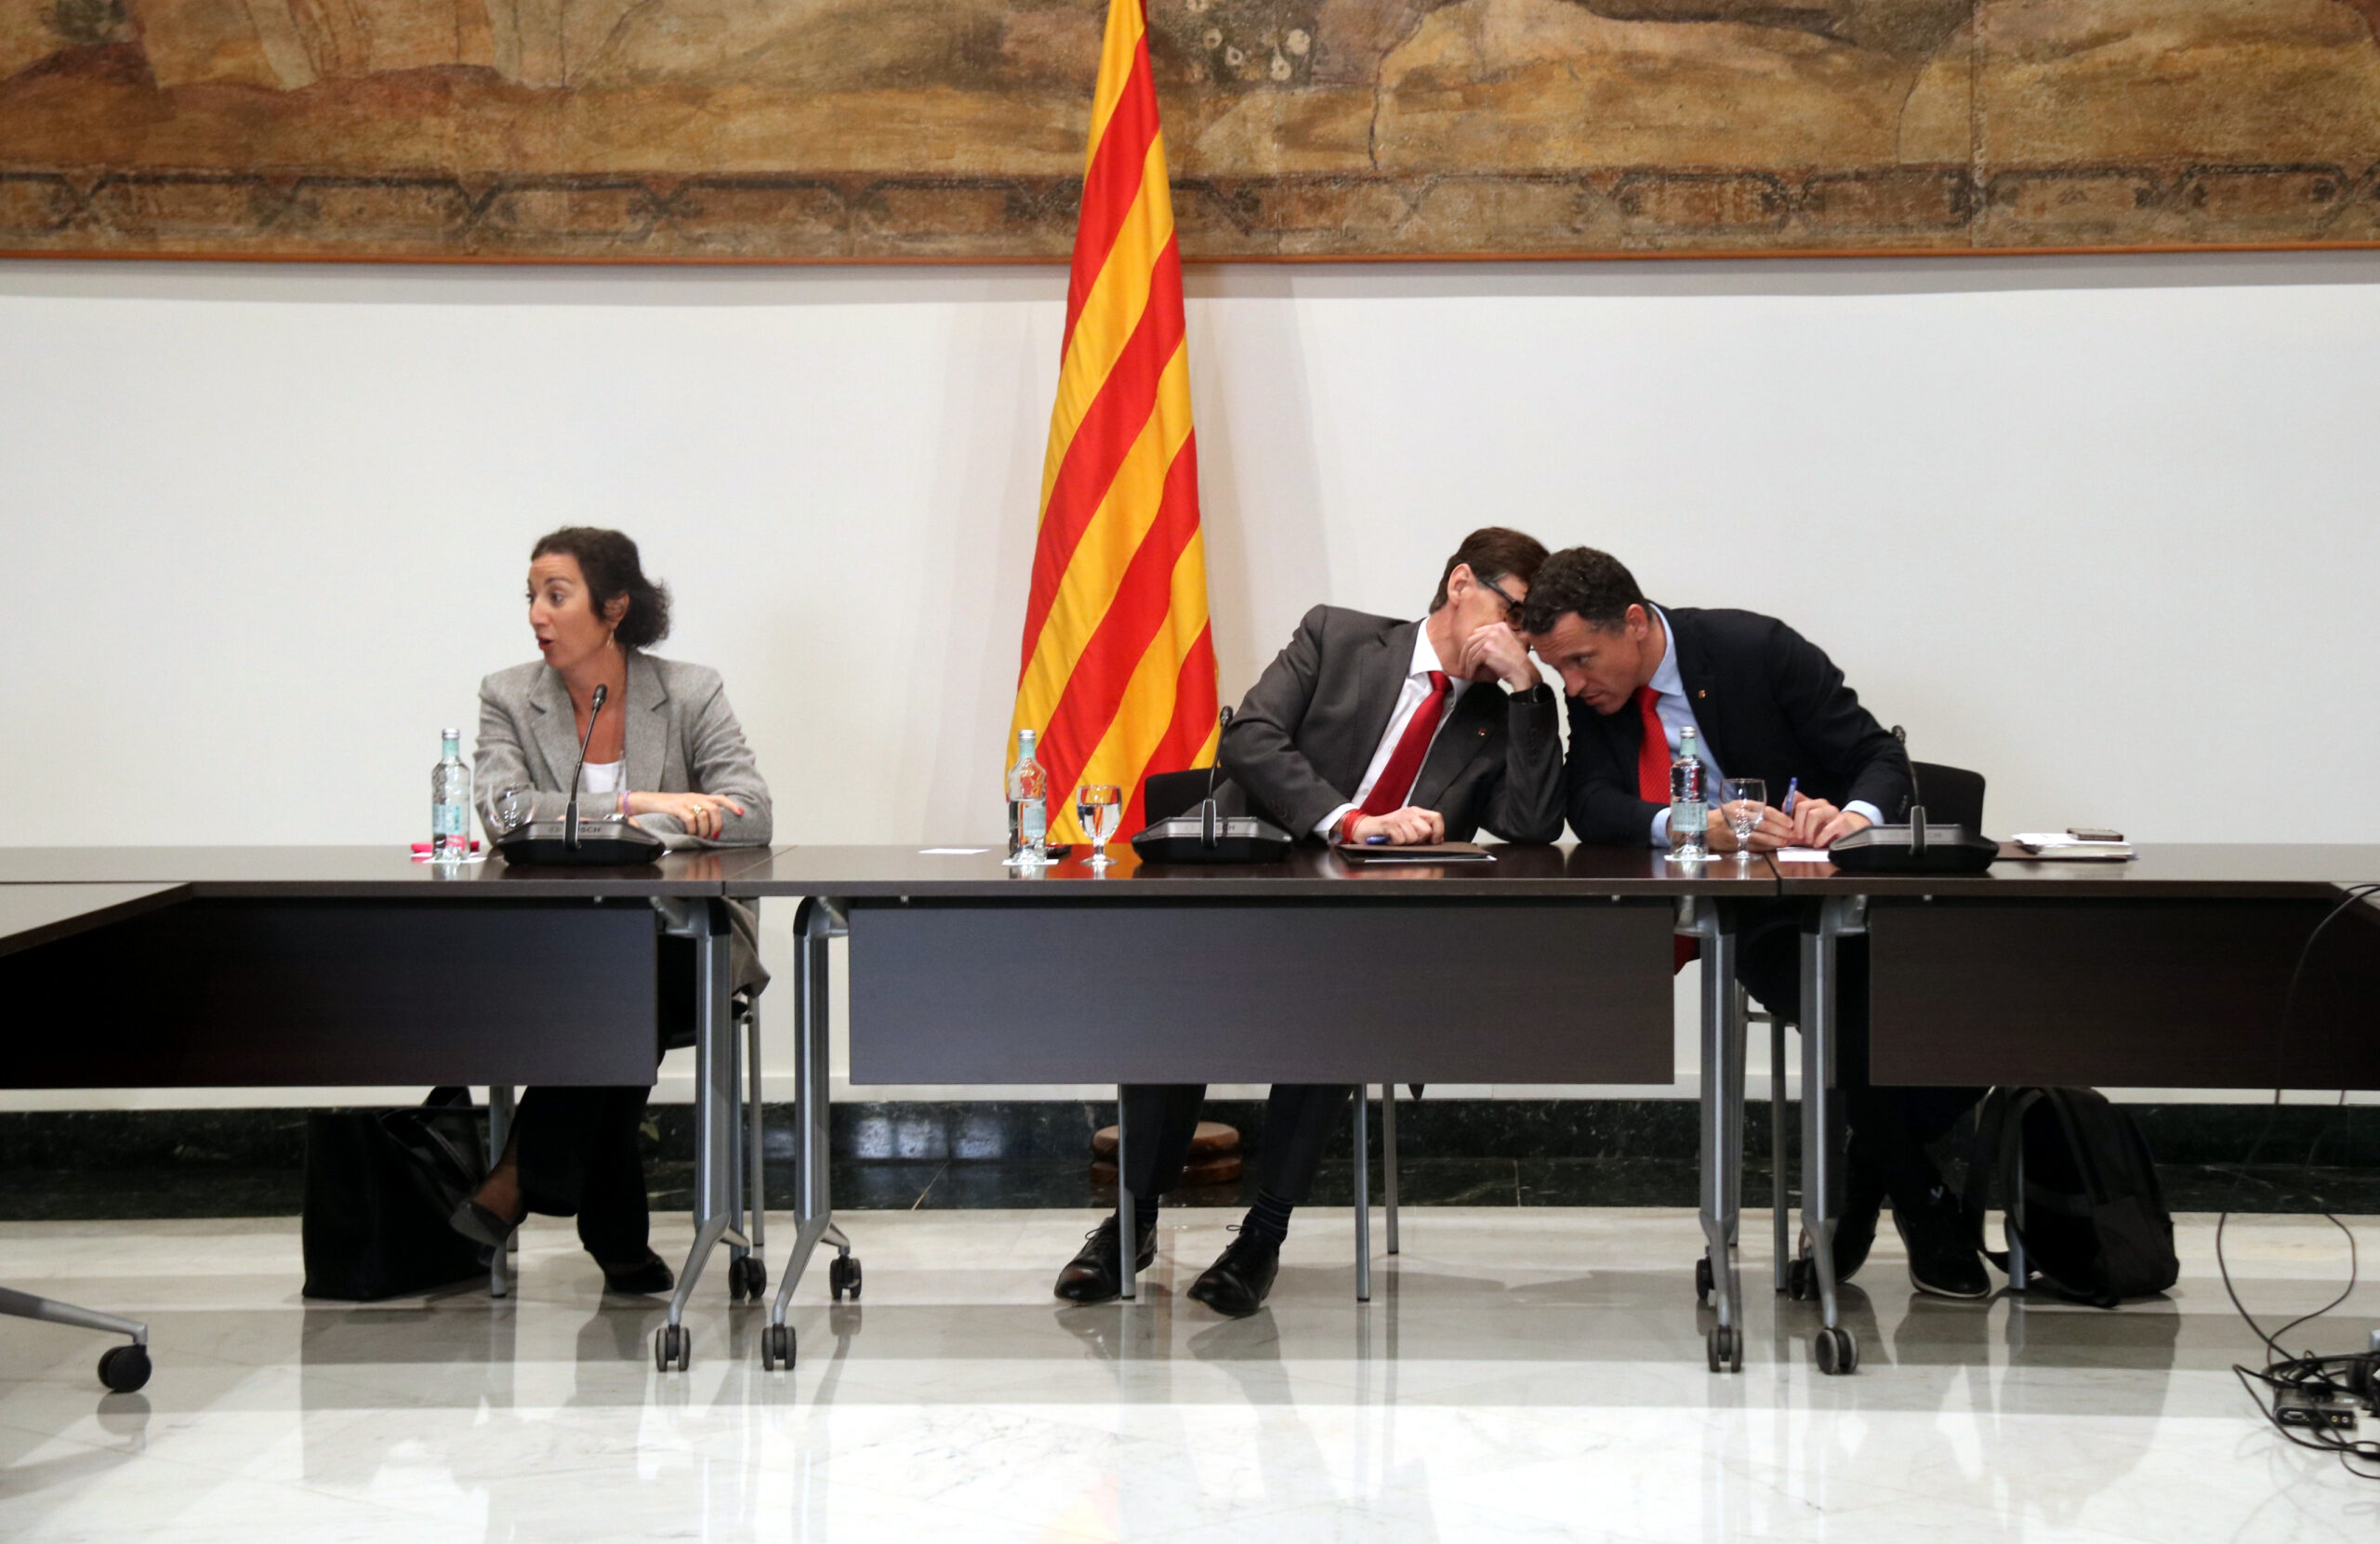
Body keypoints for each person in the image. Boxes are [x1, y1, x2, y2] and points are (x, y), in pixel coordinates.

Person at [1053, 527, 1564, 1315]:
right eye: (1516, 614)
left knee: (1338, 1003)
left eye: (1533, 632)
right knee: (1169, 999)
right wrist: (1349, 820)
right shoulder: (1338, 637)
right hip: (1242, 897)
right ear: (1462, 582)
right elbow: (1251, 736)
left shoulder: (1502, 716)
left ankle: (1262, 1235)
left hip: (1359, 936)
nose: (1521, 638)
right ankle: (1134, 1219)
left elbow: (1530, 825)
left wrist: (1530, 692)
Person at [1518, 546, 1989, 1299]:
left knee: (1985, 1003)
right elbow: (1592, 803)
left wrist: (1851, 816)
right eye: (1558, 670)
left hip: (1848, 897)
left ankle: (1863, 1183)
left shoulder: (1754, 649)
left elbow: (1879, 757)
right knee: (1847, 1009)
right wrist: (1694, 824)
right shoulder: (1599, 697)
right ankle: (1922, 1201)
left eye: (1580, 661)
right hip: (1754, 919)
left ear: (1633, 622)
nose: (1572, 684)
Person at [452, 526, 773, 1294]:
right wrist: (645, 804)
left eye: (557, 595)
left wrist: (632, 827)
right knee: (610, 987)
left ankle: (521, 1175)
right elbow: (504, 812)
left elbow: (752, 810)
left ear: (614, 607)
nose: (538, 613)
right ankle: (614, 1233)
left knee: (625, 975)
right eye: (532, 595)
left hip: (688, 944)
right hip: (562, 951)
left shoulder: (690, 691)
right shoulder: (509, 696)